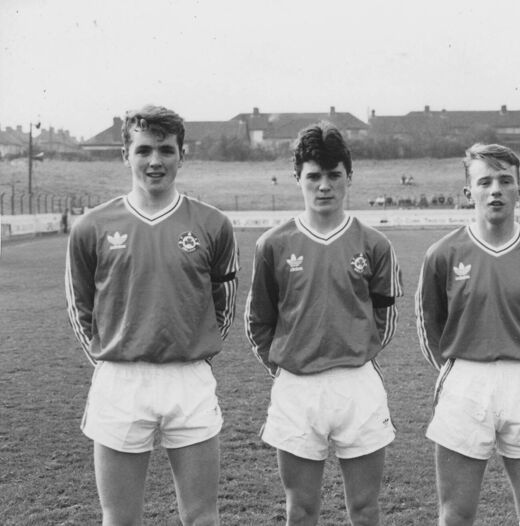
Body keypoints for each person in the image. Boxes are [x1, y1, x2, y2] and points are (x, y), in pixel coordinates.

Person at [65, 105, 240, 525]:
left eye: (166, 150)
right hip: (121, 380)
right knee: (120, 518)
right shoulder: (92, 226)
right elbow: (80, 305)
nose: (155, 161)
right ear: (124, 155)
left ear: (183, 154)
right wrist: (109, 356)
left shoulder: (213, 224)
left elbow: (224, 301)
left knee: (202, 517)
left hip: (189, 378)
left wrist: (197, 348)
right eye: (143, 150)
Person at [245, 121, 403, 525]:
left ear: (349, 176)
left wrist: (357, 350)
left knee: (365, 509)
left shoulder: (375, 244)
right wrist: (284, 365)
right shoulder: (273, 244)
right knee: (300, 509)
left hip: (358, 385)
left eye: (334, 175)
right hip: (297, 387)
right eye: (314, 176)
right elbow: (259, 320)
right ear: (297, 178)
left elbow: (385, 317)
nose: (324, 186)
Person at [416, 143, 520, 526]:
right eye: (484, 182)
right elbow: (429, 322)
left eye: (505, 181)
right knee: (456, 515)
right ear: (468, 192)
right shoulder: (443, 254)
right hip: (465, 383)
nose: (495, 190)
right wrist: (455, 370)